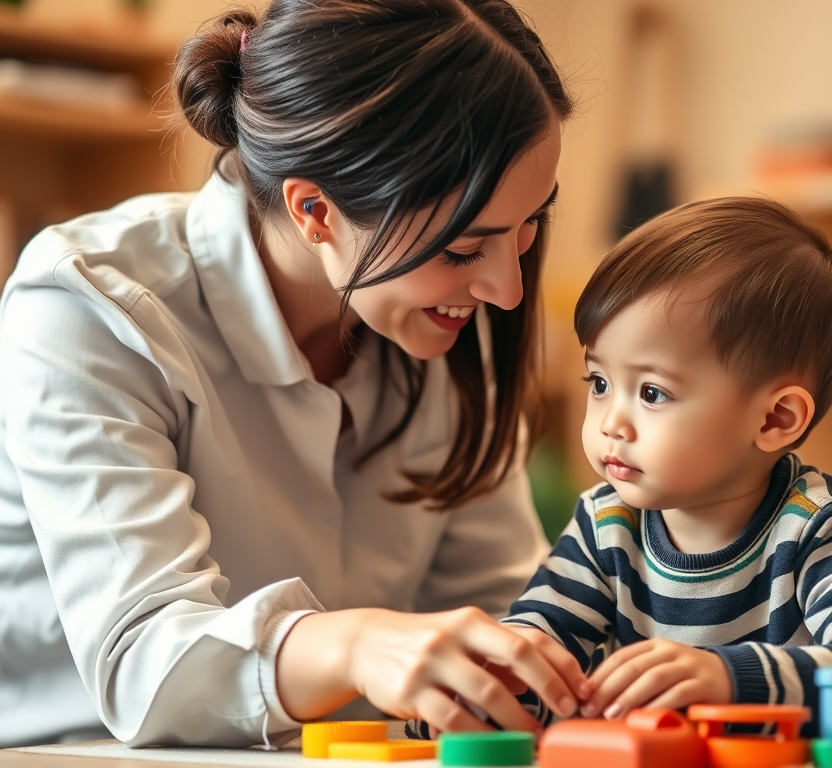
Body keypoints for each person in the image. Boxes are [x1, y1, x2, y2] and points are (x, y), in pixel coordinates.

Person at [0, 0, 590, 749]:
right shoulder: (89, 307)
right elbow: (143, 661)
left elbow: (499, 604)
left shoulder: (437, 315)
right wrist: (356, 645)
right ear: (314, 210)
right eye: (465, 248)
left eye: (530, 223)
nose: (506, 291)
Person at [500, 196, 832, 734]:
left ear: (775, 418)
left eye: (652, 392)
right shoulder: (605, 523)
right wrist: (501, 681)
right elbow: (538, 651)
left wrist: (728, 677)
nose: (611, 423)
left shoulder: (828, 525)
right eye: (600, 383)